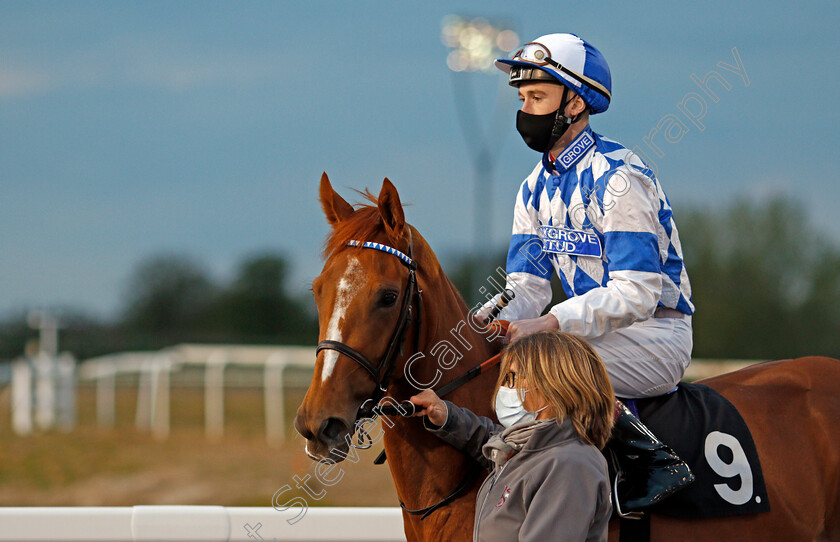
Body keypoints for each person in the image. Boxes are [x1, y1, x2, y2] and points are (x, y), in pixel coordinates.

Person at [478, 33, 695, 511]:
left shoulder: (619, 179)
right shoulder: (532, 189)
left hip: (656, 335)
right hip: (588, 340)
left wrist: (550, 323)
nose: (525, 110)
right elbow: (527, 288)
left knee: (543, 370)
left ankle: (651, 460)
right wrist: (481, 320)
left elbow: (638, 293)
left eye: (538, 97)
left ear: (574, 101)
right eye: (522, 98)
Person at [411, 330, 614, 542]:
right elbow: (494, 442)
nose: (504, 388)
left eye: (512, 377)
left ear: (553, 384)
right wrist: (446, 416)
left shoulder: (569, 465)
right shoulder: (533, 451)